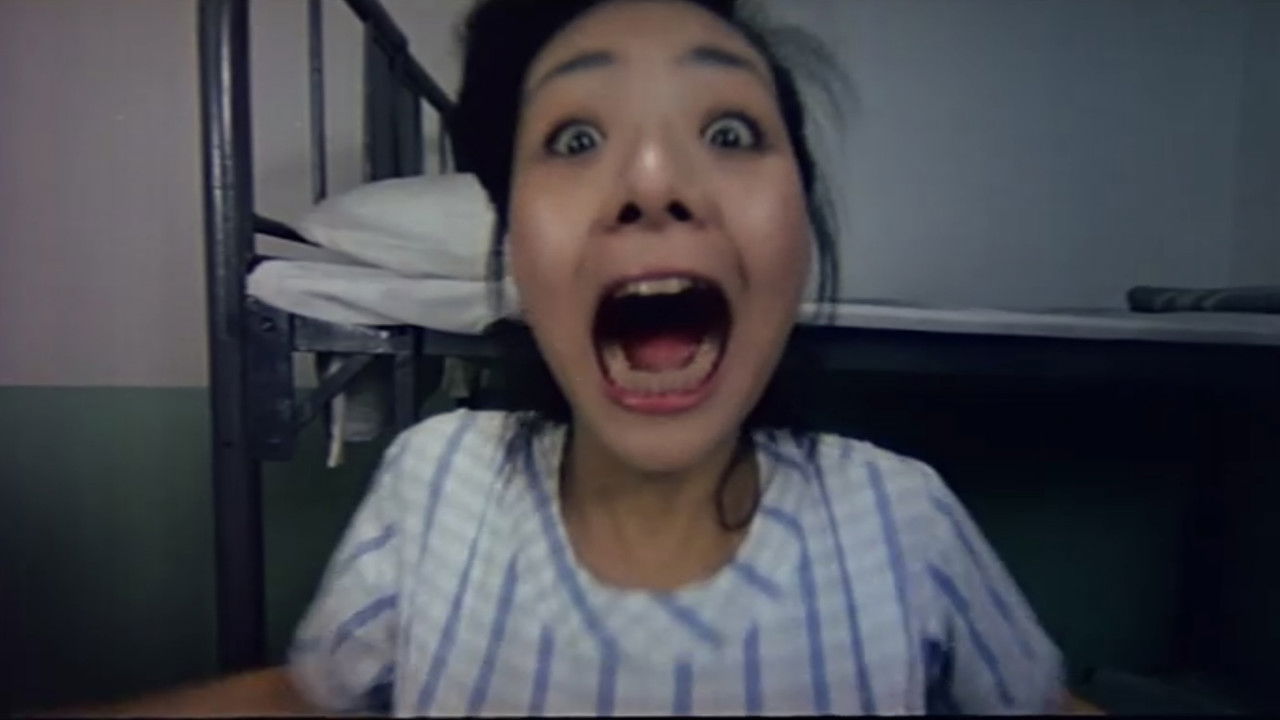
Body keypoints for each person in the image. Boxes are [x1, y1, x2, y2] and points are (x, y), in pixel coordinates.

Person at [78, 0, 1098, 715]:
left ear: (800, 229)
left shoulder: (901, 516)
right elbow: (305, 699)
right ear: (514, 245)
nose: (653, 182)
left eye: (728, 131)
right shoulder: (436, 483)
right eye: (573, 141)